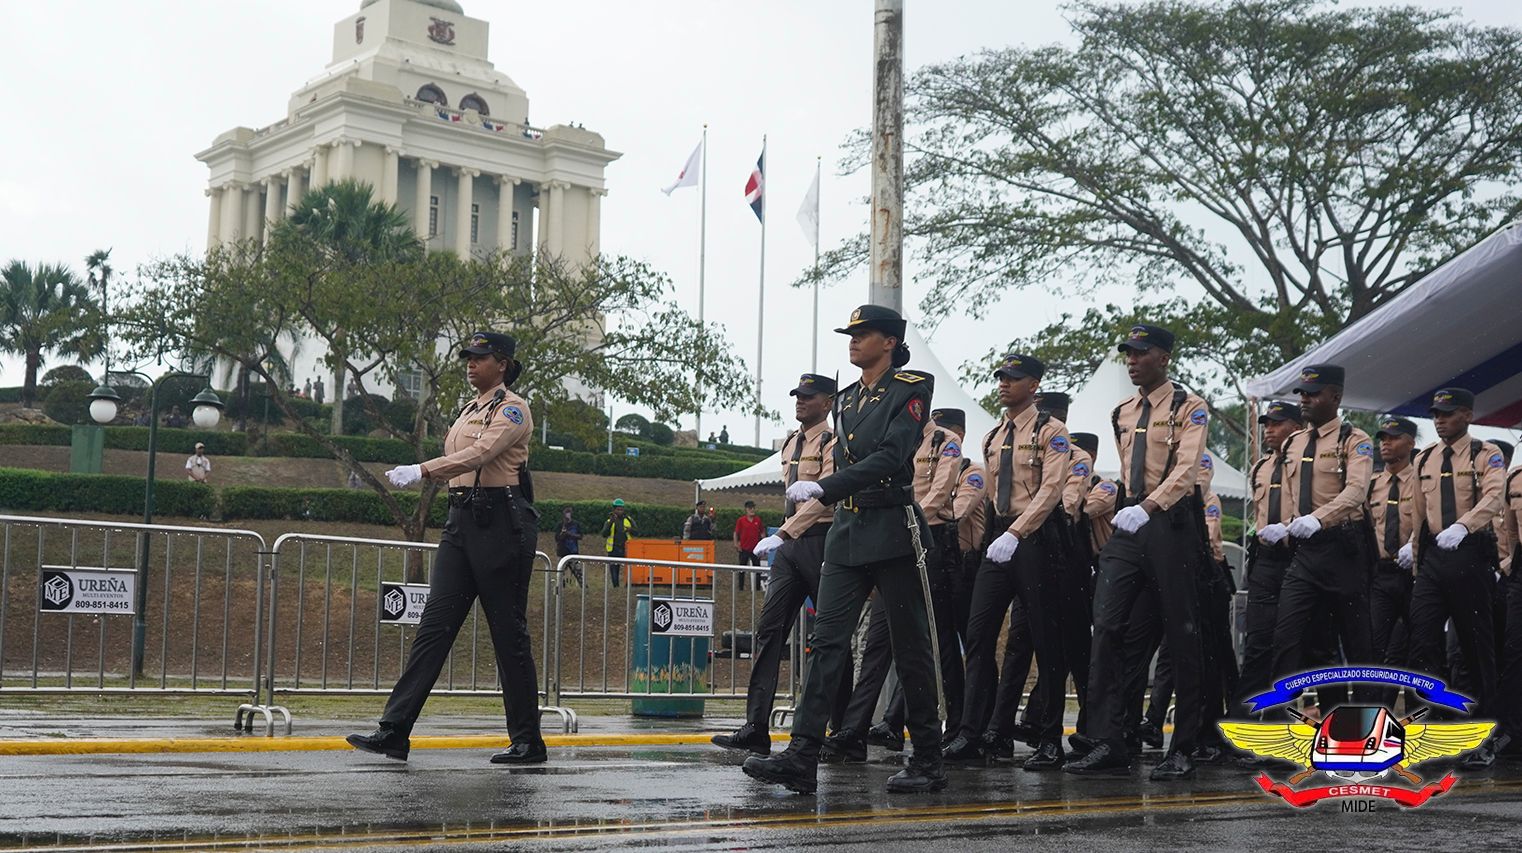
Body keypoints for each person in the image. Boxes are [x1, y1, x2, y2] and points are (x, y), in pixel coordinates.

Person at [742, 305, 945, 795]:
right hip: (850, 531)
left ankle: (928, 758)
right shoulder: (848, 399)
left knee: (911, 645)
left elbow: (892, 456)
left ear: (890, 342)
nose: (853, 342)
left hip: (894, 528)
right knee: (827, 643)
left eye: (864, 334)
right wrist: (830, 496)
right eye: (851, 334)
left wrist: (825, 487)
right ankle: (802, 755)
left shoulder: (911, 387)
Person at [346, 330, 545, 765]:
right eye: (468, 357)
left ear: (503, 364)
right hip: (461, 522)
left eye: (480, 357)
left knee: (508, 634)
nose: (471, 363)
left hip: (501, 524)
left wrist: (422, 469)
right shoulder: (468, 409)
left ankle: (529, 741)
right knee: (434, 627)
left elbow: (480, 454)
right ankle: (394, 731)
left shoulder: (513, 409)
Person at [1065, 324, 1209, 781]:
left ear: (1163, 358)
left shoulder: (1191, 407)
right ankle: (1110, 739)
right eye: (1128, 353)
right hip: (1131, 523)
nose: (1131, 360)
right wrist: (1132, 505)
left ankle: (1184, 745)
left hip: (1170, 522)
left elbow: (1187, 469)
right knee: (1106, 627)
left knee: (1181, 635)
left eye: (1141, 353)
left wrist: (1149, 506)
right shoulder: (1122, 411)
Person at [944, 354, 1072, 770]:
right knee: (979, 636)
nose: (1003, 384)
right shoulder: (993, 436)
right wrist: (998, 534)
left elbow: (1052, 490)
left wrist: (1018, 532)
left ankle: (1049, 738)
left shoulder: (1052, 432)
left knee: (1045, 639)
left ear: (1034, 385)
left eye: (1013, 378)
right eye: (1001, 377)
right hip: (1000, 538)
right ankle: (973, 732)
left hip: (1036, 538)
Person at [823, 400, 967, 763]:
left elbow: (939, 491)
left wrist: (909, 521)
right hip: (889, 540)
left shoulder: (943, 441)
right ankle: (853, 730)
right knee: (877, 643)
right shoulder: (892, 435)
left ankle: (930, 739)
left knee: (917, 641)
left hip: (922, 540)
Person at [714, 374, 849, 754]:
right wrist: (785, 536)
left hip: (822, 542)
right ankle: (756, 725)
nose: (800, 401)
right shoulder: (791, 441)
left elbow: (824, 498)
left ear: (828, 402)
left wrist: (784, 533)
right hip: (789, 546)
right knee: (769, 633)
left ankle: (842, 732)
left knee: (831, 637)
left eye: (809, 396)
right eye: (797, 396)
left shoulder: (833, 442)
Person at [1263, 365, 1376, 720]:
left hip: (1344, 548)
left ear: (1336, 397)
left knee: (1357, 647)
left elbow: (1357, 491)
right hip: (1307, 552)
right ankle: (1278, 727)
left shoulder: (1353, 440)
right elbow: (1295, 501)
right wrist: (1287, 526)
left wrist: (1319, 518)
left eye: (1314, 393)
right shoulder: (1294, 443)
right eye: (1302, 394)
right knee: (1288, 638)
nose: (1306, 400)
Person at [1406, 387, 1509, 767]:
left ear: (1467, 414)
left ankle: (1485, 733)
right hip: (1434, 559)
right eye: (1435, 414)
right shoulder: (1425, 459)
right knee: (1422, 641)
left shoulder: (1487, 453)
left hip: (1469, 554)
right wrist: (1418, 563)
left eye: (1447, 413)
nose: (1439, 419)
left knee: (1475, 648)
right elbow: (1418, 515)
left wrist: (1464, 527)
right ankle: (1433, 725)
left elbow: (1494, 497)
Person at [1232, 400, 1304, 725]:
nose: (1269, 430)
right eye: (1267, 424)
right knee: (1257, 643)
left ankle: (1278, 725)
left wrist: (1288, 527)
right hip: (1265, 560)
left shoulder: (1306, 464)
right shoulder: (1261, 467)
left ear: (1297, 426)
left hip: (1297, 558)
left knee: (1288, 647)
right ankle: (1243, 726)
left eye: (1277, 423)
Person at [1367, 416, 1418, 707]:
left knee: (1418, 649)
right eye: (1383, 437)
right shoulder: (1373, 485)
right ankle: (1374, 716)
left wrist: (1414, 545)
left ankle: (1417, 721)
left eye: (1393, 437)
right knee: (1374, 647)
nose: (1385, 442)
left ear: (1410, 442)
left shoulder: (1422, 480)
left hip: (1414, 574)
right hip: (1381, 575)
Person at [732, 500, 767, 591]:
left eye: (753, 508)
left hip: (755, 549)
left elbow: (762, 532)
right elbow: (736, 532)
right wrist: (736, 544)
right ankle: (741, 587)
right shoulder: (741, 520)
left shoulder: (757, 520)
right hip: (744, 548)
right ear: (746, 509)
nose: (752, 510)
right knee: (742, 568)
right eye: (750, 508)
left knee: (757, 569)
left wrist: (764, 544)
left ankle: (758, 588)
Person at [603, 499, 634, 587]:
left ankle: (627, 585)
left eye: (621, 509)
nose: (620, 511)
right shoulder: (609, 521)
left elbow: (637, 531)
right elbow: (604, 533)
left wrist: (630, 530)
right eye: (618, 509)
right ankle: (615, 586)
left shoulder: (628, 519)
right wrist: (611, 522)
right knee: (614, 569)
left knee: (628, 568)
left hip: (626, 548)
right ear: (614, 510)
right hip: (613, 549)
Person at [555, 506, 584, 587]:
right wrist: (562, 533)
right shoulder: (560, 525)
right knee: (560, 574)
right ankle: (559, 589)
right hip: (562, 552)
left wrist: (569, 534)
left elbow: (580, 536)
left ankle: (584, 588)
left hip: (573, 552)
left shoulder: (576, 524)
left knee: (578, 572)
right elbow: (557, 538)